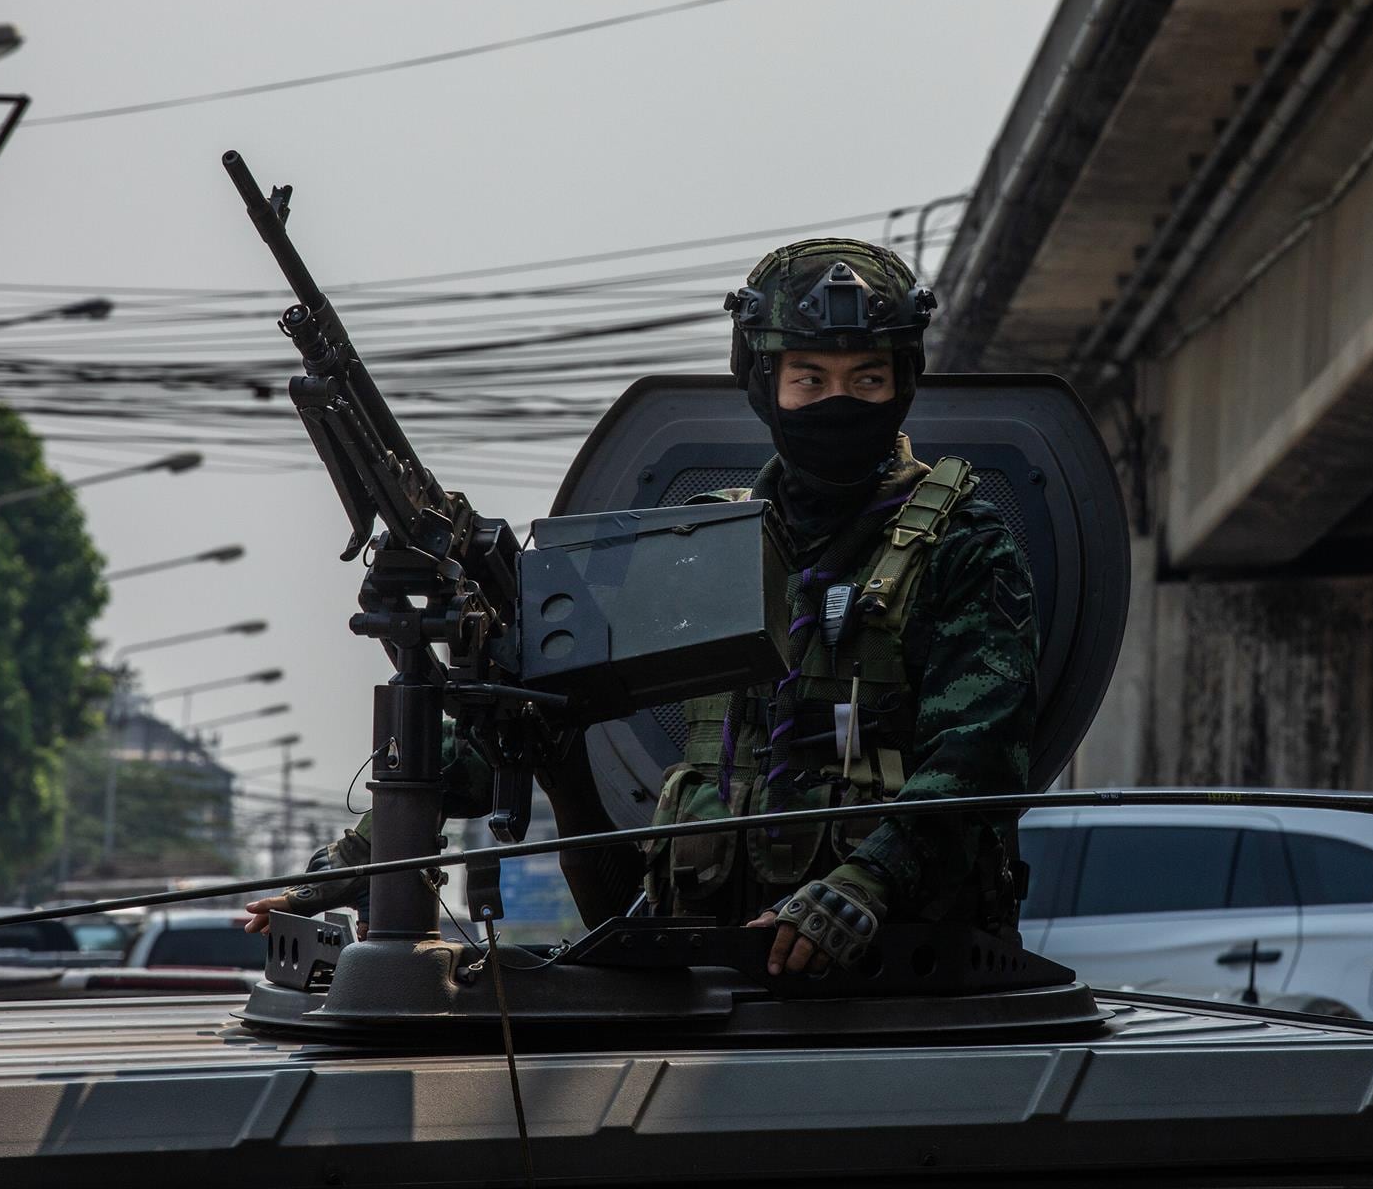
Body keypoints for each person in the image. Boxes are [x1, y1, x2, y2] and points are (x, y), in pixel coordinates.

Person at [245, 239, 1040, 977]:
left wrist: (867, 883)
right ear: (766, 386)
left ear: (902, 383)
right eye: (809, 380)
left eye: (866, 380)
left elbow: (979, 756)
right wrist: (358, 861)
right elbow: (532, 710)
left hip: (905, 967)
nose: (839, 402)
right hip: (704, 966)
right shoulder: (708, 544)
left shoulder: (964, 543)